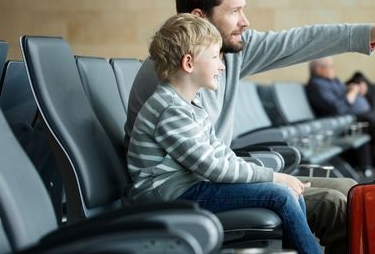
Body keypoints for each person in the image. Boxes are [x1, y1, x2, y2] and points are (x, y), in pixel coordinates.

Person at [124, 0, 375, 254]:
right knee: (337, 204)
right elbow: (202, 168)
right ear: (198, 19)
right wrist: (272, 177)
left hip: (218, 176)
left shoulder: (226, 55)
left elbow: (300, 40)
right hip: (198, 187)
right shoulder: (170, 80)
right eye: (235, 11)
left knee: (352, 190)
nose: (245, 22)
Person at [127, 13, 321, 254]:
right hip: (167, 196)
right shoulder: (169, 109)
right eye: (215, 57)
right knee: (281, 195)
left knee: (289, 194)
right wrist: (274, 177)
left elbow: (219, 151)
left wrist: (275, 178)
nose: (221, 65)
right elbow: (212, 168)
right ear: (189, 63)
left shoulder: (190, 102)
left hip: (188, 187)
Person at [306, 57, 375, 176]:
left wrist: (355, 88)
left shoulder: (333, 81)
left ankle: (372, 168)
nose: (333, 69)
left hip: (362, 115)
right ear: (319, 69)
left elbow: (342, 95)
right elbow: (338, 108)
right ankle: (374, 170)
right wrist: (352, 92)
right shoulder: (317, 85)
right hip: (351, 119)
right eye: (330, 66)